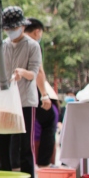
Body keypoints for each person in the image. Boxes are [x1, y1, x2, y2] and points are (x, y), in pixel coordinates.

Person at [0, 6, 42, 178]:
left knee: (23, 141)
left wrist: (22, 73)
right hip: (5, 100)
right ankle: (4, 172)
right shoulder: (2, 46)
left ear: (21, 26)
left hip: (25, 100)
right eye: (8, 29)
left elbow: (34, 72)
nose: (11, 32)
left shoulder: (32, 46)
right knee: (2, 138)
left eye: (14, 27)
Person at [24, 19, 58, 168]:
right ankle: (44, 161)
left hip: (16, 90)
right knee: (51, 118)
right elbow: (39, 71)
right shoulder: (33, 45)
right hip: (31, 90)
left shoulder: (10, 43)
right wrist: (44, 94)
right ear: (37, 31)